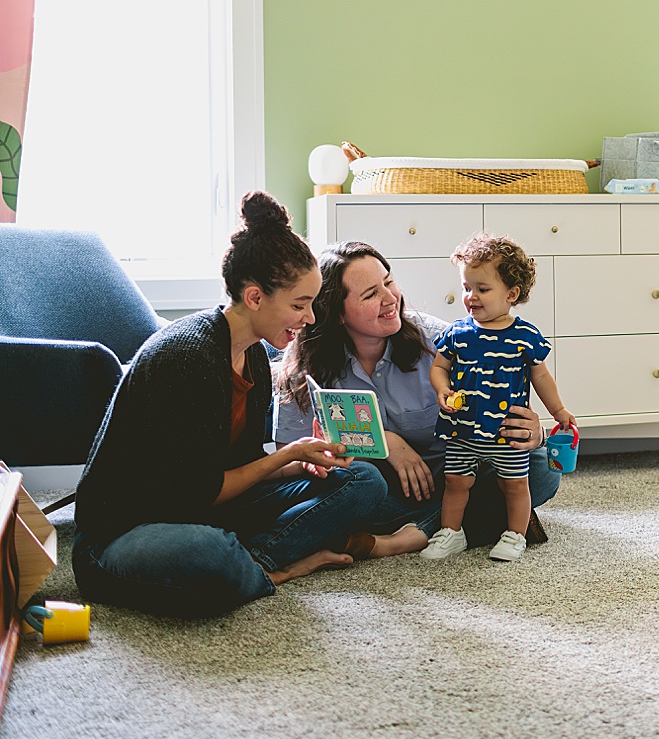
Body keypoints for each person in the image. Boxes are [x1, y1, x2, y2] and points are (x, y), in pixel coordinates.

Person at [72, 193, 412, 619]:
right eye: (299, 305)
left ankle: (253, 561)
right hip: (125, 532)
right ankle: (271, 568)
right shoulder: (188, 357)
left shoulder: (252, 352)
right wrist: (284, 456)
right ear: (254, 298)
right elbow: (199, 490)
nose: (309, 319)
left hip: (204, 510)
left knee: (362, 478)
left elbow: (244, 466)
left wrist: (300, 458)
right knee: (208, 552)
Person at [272, 241, 557, 554]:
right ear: (337, 312)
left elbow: (509, 393)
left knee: (542, 470)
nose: (390, 297)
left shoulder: (437, 339)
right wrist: (382, 443)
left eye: (389, 281)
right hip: (380, 491)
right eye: (370, 294)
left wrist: (534, 432)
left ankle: (411, 536)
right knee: (360, 483)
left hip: (456, 475)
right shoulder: (306, 367)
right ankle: (454, 526)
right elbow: (288, 459)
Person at [424, 233, 574, 563]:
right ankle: (452, 532)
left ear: (512, 293)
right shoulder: (458, 332)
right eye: (466, 287)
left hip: (506, 432)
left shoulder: (525, 336)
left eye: (482, 289)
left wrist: (559, 410)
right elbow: (439, 367)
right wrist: (441, 389)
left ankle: (516, 535)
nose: (471, 297)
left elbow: (541, 376)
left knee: (515, 486)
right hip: (461, 429)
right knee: (455, 482)